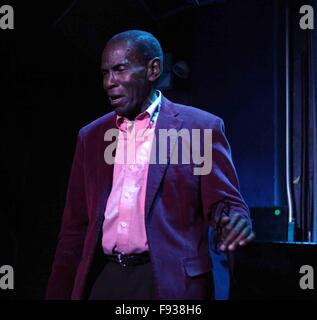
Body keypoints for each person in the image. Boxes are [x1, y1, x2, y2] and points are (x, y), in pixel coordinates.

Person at [46, 30, 254, 300]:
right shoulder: (92, 136)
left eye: (120, 70)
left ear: (153, 69)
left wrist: (233, 219)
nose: (109, 82)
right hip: (106, 277)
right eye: (105, 73)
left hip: (168, 282)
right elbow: (75, 227)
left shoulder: (198, 129)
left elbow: (224, 203)